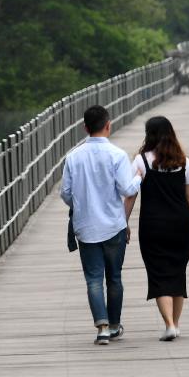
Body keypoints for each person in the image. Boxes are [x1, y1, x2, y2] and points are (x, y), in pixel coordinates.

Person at [60, 105, 142, 345]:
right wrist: (138, 177)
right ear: (109, 125)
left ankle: (102, 328)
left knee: (93, 279)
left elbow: (65, 193)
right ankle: (115, 324)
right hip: (114, 225)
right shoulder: (117, 155)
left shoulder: (73, 157)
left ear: (85, 128)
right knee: (114, 277)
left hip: (86, 228)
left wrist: (81, 202)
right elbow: (127, 190)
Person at [125, 116, 189, 341]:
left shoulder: (141, 161)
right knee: (178, 273)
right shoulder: (184, 162)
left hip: (153, 226)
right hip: (181, 224)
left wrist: (124, 223)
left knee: (158, 273)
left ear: (149, 135)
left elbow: (130, 195)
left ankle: (169, 324)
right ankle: (175, 324)